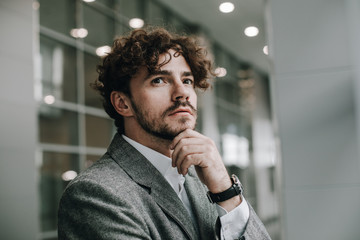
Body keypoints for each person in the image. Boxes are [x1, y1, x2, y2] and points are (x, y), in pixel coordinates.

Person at [58, 27, 271, 240]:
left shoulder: (198, 177)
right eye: (159, 80)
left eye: (187, 80)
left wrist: (226, 192)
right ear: (123, 103)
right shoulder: (96, 193)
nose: (182, 93)